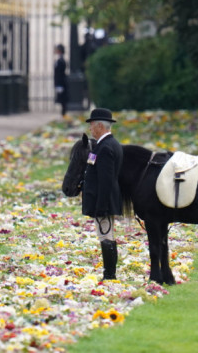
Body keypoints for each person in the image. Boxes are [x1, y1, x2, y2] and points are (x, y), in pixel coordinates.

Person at [82, 108, 124, 281]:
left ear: (99, 126)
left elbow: (106, 181)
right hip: (104, 200)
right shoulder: (106, 144)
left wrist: (101, 207)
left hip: (104, 202)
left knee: (106, 236)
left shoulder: (105, 148)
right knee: (107, 236)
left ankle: (109, 275)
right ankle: (110, 273)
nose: (90, 129)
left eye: (92, 125)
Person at [54, 44, 69, 117]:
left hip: (61, 82)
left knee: (63, 100)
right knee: (61, 100)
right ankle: (63, 113)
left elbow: (59, 74)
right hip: (59, 82)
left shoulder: (61, 61)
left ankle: (64, 113)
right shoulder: (59, 60)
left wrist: (58, 84)